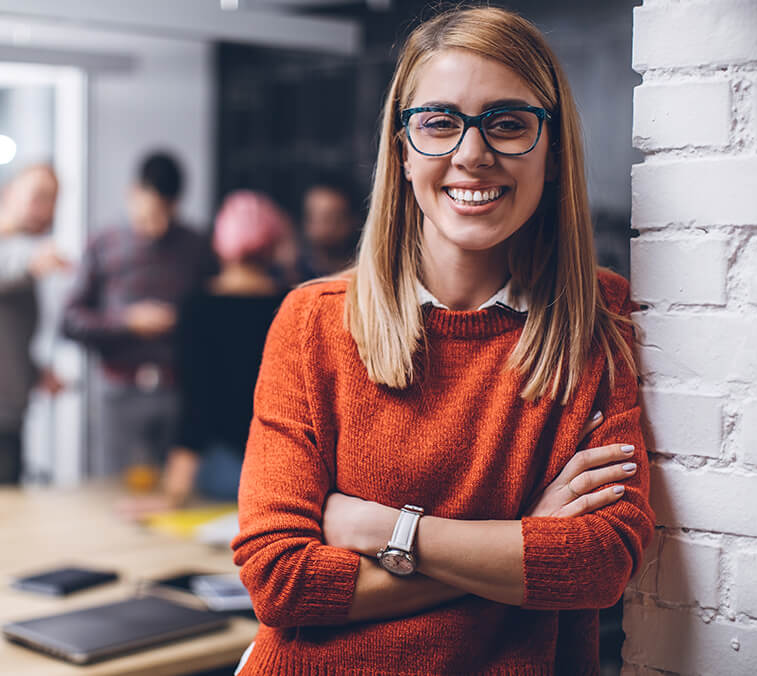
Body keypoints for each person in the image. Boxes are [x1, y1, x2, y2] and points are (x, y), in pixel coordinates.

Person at [231, 7, 655, 675]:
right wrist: (523, 542)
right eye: (439, 123)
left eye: (509, 123)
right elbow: (281, 580)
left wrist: (385, 532)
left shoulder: (598, 319)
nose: (471, 154)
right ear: (402, 149)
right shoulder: (313, 322)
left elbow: (599, 564)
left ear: (553, 150)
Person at [120, 190, 289, 517]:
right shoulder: (294, 303)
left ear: (221, 241)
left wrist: (173, 494)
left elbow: (196, 405)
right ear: (273, 242)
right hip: (283, 469)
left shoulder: (198, 308)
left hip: (225, 469)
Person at [61, 151, 215, 478]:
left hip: (178, 390)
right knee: (115, 489)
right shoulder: (104, 243)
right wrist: (127, 321)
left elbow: (211, 319)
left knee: (177, 493)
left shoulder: (196, 245)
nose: (156, 227)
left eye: (165, 215)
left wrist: (182, 323)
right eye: (148, 214)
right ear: (132, 193)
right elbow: (70, 320)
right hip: (119, 390)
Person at [0, 164, 68, 483]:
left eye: (54, 199)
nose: (48, 209)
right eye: (39, 197)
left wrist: (34, 372)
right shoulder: (21, 254)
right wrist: (30, 262)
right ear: (9, 193)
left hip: (10, 414)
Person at [298, 175, 361, 278]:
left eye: (332, 219)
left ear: (354, 220)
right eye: (313, 218)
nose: (322, 228)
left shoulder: (364, 276)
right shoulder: (292, 276)